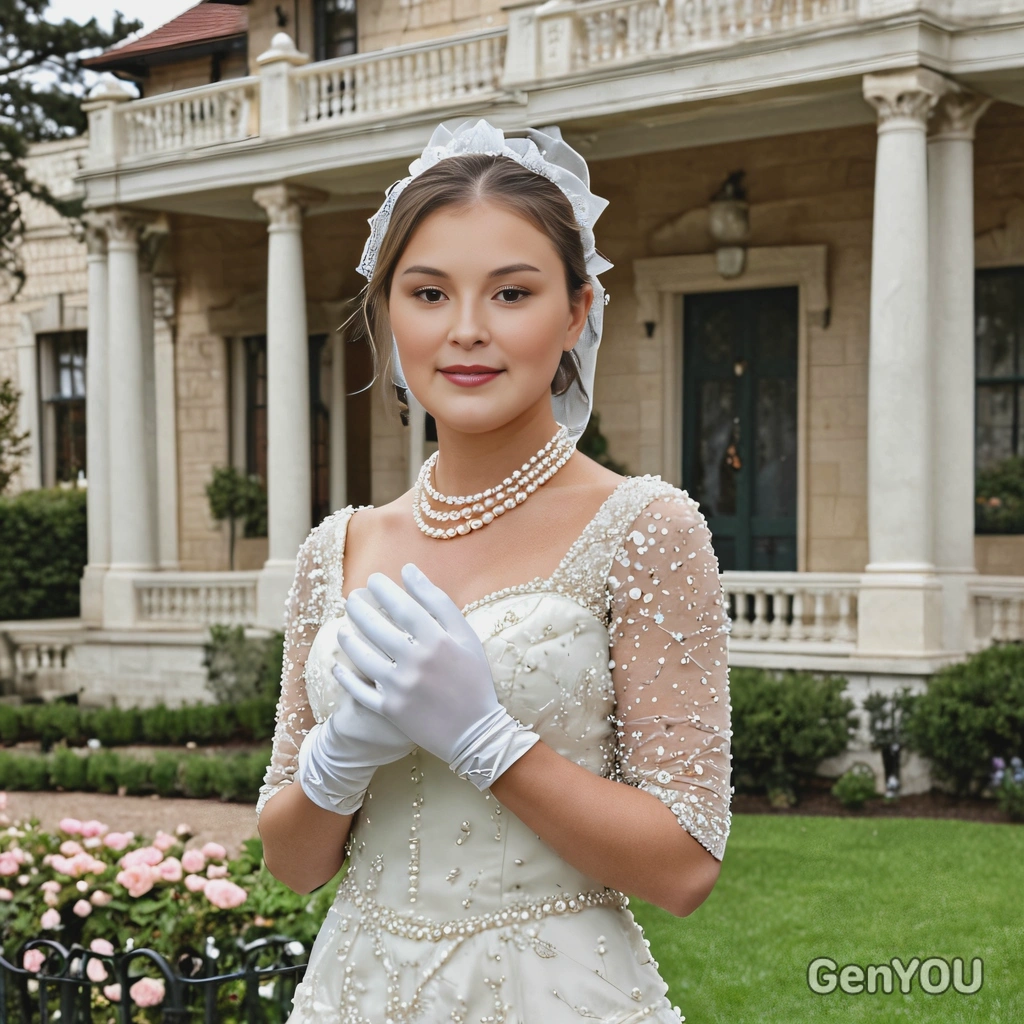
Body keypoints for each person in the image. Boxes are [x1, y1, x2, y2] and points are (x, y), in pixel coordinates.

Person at [256, 118, 733, 1024]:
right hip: (353, 991)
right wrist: (339, 756)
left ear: (577, 311)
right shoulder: (336, 550)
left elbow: (684, 866)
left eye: (511, 293)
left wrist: (485, 739)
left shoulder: (645, 527)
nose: (466, 331)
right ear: (389, 313)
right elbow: (293, 863)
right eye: (429, 293)